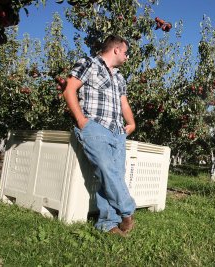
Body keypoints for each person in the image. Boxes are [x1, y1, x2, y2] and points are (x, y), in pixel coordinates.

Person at [63, 35, 136, 236]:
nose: (127, 57)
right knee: (105, 169)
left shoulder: (120, 77)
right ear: (116, 50)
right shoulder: (88, 63)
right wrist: (81, 121)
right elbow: (70, 90)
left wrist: (131, 124)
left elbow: (124, 103)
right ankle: (127, 210)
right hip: (95, 126)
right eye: (126, 52)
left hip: (117, 131)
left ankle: (108, 223)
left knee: (112, 175)